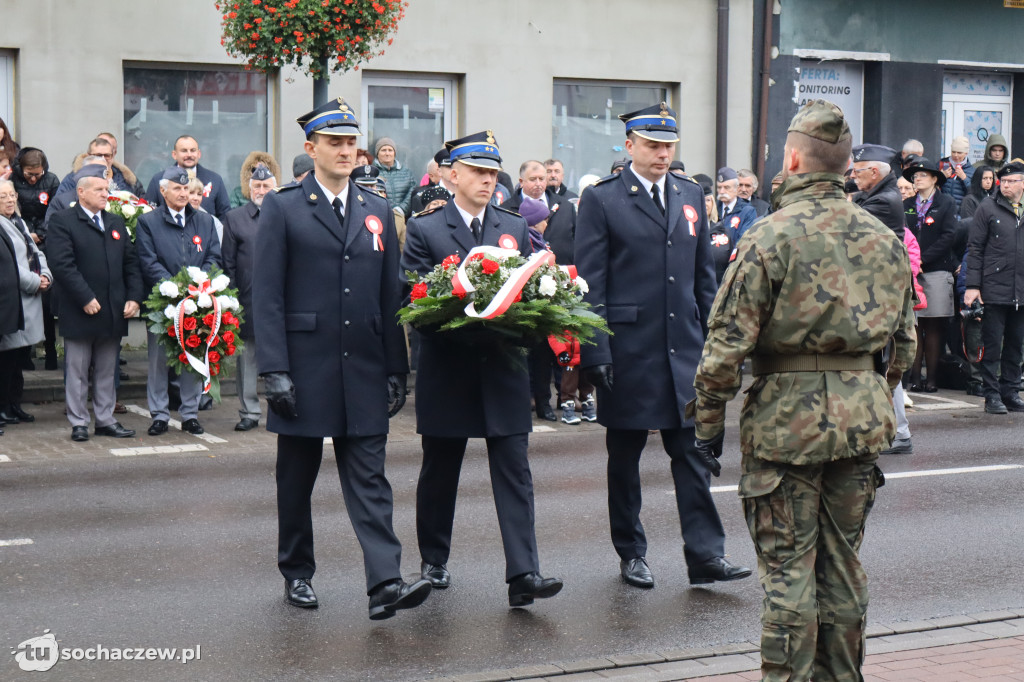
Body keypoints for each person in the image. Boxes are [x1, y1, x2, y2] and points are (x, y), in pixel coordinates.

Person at [693, 100, 916, 681]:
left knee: (789, 570)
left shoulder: (768, 235)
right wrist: (874, 390)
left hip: (787, 423)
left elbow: (726, 344)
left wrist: (709, 424)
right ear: (845, 165)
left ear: (792, 158)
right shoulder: (882, 235)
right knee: (843, 566)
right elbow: (906, 343)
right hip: (862, 415)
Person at [253, 97, 429, 619]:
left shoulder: (376, 209)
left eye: (352, 142)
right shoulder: (283, 207)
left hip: (364, 368)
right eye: (335, 142)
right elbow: (268, 295)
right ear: (312, 148)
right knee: (296, 479)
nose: (346, 151)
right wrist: (273, 369)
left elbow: (388, 297)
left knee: (371, 479)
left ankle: (385, 584)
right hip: (304, 368)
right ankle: (297, 571)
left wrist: (397, 368)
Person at [575, 102, 750, 590]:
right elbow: (593, 283)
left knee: (693, 453)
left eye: (668, 145)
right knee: (625, 458)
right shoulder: (605, 199)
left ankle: (706, 554)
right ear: (629, 145)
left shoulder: (690, 193)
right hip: (628, 349)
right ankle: (631, 551)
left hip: (684, 350)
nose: (662, 153)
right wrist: (596, 351)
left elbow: (703, 281)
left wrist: (715, 345)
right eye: (652, 145)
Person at [401, 130, 563, 607]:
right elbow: (411, 299)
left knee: (514, 471)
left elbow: (529, 290)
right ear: (453, 175)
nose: (487, 181)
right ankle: (434, 560)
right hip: (448, 369)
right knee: (440, 471)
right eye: (477, 172)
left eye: (493, 173)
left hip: (502, 369)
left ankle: (524, 573)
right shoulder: (427, 229)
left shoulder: (510, 226)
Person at [46, 175, 143, 442]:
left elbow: (131, 263)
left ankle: (105, 419)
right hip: (80, 308)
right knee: (77, 369)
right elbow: (62, 264)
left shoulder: (115, 221)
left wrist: (134, 297)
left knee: (106, 369)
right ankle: (78, 422)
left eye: (106, 189)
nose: (105, 194)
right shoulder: (63, 221)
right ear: (81, 192)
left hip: (112, 308)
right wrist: (85, 297)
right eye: (99, 189)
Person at [136, 168, 222, 437]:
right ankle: (160, 414)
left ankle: (190, 414)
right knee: (159, 361)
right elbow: (148, 261)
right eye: (177, 188)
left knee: (192, 356)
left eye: (186, 189)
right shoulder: (148, 222)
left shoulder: (204, 221)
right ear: (163, 191)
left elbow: (214, 257)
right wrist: (173, 287)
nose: (184, 193)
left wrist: (198, 284)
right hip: (162, 302)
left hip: (198, 300)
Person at [851, 143, 917, 454]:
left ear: (875, 172)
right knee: (882, 362)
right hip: (878, 292)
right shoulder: (878, 195)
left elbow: (845, 226)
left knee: (883, 363)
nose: (853, 176)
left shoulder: (883, 202)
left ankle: (898, 431)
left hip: (881, 295)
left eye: (858, 171)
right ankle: (896, 430)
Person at [965, 160, 1024, 414]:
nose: (1006, 185)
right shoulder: (988, 207)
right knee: (992, 344)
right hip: (994, 286)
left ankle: (1010, 391)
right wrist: (973, 286)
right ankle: (991, 395)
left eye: (1012, 181)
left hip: (1021, 289)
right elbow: (975, 248)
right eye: (1004, 181)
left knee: (1015, 345)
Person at [221, 163, 276, 432]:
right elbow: (227, 264)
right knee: (248, 361)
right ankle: (249, 411)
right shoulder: (235, 218)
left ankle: (284, 406)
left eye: (266, 186)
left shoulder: (287, 214)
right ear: (249, 188)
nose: (261, 190)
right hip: (247, 300)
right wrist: (233, 300)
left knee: (284, 358)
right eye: (257, 186)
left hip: (282, 302)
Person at [903, 157, 958, 393]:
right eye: (915, 176)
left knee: (934, 325)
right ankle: (914, 377)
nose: (917, 179)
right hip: (911, 270)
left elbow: (949, 236)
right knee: (914, 326)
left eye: (922, 175)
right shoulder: (906, 203)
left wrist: (923, 258)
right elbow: (901, 233)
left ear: (935, 179)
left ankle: (932, 379)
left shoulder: (947, 203)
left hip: (936, 269)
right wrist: (913, 261)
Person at [0, 181, 51, 423]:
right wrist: (34, 281)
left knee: (19, 357)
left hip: (28, 296)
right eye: (3, 196)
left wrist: (45, 275)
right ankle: (4, 406)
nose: (9, 200)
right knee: (7, 358)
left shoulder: (19, 221)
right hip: (14, 298)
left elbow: (36, 251)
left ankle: (14, 404)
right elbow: (8, 266)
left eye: (12, 195)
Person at [11, 148, 60, 369]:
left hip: (44, 240)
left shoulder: (50, 181)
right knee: (24, 298)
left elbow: (54, 211)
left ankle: (51, 351)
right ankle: (25, 354)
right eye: (29, 174)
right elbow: (13, 209)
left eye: (37, 175)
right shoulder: (12, 180)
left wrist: (39, 233)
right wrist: (26, 233)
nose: (33, 179)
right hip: (20, 238)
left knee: (46, 300)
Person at [145, 136, 230, 219]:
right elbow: (148, 213)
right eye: (184, 151)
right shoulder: (159, 180)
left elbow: (224, 216)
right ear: (174, 154)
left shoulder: (215, 180)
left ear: (199, 154)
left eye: (193, 151)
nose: (189, 155)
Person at [55, 137, 144, 197]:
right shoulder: (73, 179)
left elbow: (143, 203)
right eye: (98, 155)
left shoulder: (127, 179)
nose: (102, 159)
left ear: (112, 156)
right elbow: (59, 204)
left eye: (106, 155)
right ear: (88, 156)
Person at [372, 137, 416, 218]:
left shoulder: (406, 172)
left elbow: (412, 190)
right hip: (382, 216)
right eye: (383, 150)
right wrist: (392, 210)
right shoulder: (373, 173)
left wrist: (401, 209)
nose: (387, 153)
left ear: (394, 153)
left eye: (390, 150)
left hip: (405, 218)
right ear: (377, 153)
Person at [716, 167, 759, 241]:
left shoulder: (748, 211)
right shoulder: (713, 208)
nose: (722, 191)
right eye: (719, 187)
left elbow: (743, 241)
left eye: (727, 187)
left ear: (736, 188)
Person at [940, 136, 975, 212]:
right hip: (943, 209)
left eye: (959, 152)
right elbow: (931, 186)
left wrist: (964, 178)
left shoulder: (971, 170)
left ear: (966, 153)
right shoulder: (943, 164)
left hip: (960, 212)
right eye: (953, 152)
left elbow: (973, 193)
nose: (955, 155)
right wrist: (941, 176)